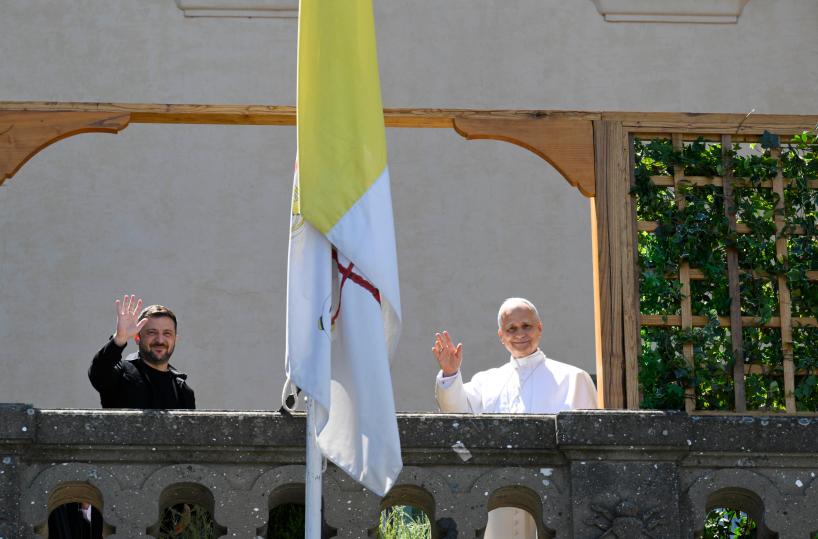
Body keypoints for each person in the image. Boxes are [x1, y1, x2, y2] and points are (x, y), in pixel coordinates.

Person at [432, 297, 597, 538]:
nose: (520, 334)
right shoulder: (486, 381)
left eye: (526, 326)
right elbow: (456, 415)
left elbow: (587, 449)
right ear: (501, 336)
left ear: (539, 328)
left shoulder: (573, 378)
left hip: (554, 494)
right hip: (498, 495)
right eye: (511, 328)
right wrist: (450, 373)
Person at [89, 294, 195, 409]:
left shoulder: (183, 390)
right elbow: (98, 372)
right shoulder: (121, 374)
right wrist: (119, 339)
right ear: (137, 338)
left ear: (175, 339)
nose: (160, 340)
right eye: (152, 332)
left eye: (167, 333)